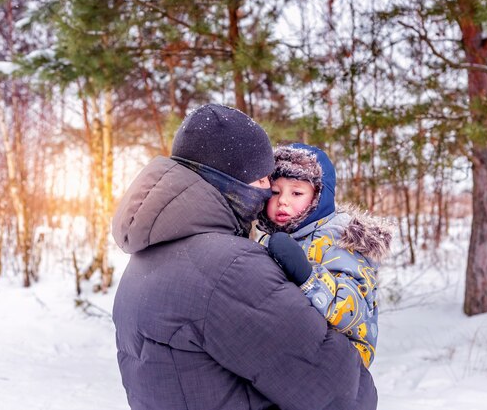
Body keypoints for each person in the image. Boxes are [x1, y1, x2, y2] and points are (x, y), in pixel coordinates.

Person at [111, 104, 377, 410]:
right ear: (230, 177)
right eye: (263, 180)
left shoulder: (147, 254)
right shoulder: (229, 268)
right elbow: (344, 392)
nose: (269, 193)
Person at [256, 144, 393, 368]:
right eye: (275, 192)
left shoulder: (338, 239)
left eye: (297, 192)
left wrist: (309, 277)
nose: (283, 201)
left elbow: (354, 310)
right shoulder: (266, 238)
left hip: (343, 357)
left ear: (318, 197)